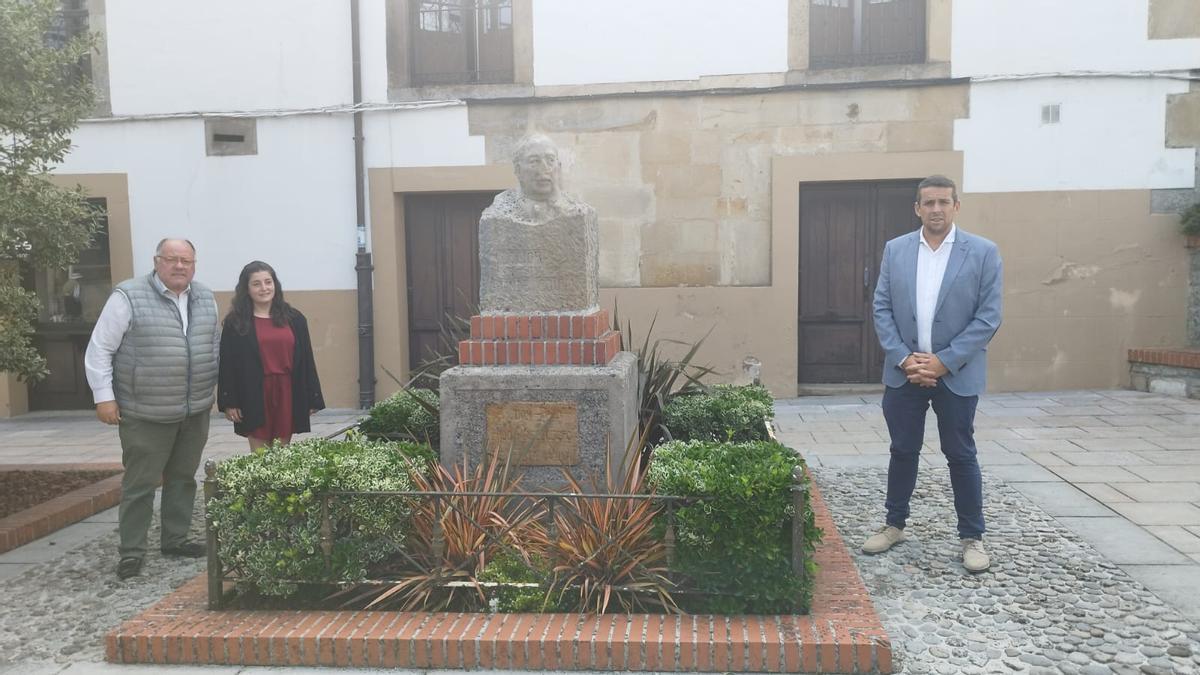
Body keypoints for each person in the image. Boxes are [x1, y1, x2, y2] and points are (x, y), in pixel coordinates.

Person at [863, 175, 1003, 573]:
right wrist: (905, 358)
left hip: (956, 374)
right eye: (929, 203)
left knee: (960, 453)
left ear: (956, 205)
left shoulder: (983, 252)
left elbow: (988, 316)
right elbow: (882, 308)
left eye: (943, 202)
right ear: (917, 208)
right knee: (902, 450)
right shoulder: (897, 250)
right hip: (903, 372)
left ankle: (972, 536)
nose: (936, 209)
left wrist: (944, 361)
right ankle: (894, 525)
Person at [84, 238, 219, 580]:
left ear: (194, 264)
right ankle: (132, 552)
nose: (179, 266)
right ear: (157, 261)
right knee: (140, 484)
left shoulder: (205, 297)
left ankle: (175, 539)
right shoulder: (128, 296)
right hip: (145, 411)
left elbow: (213, 347)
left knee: (183, 478)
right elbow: (100, 349)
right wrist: (104, 396)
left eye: (186, 260)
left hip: (194, 409)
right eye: (171, 259)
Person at [218, 261, 324, 450]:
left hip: (287, 391)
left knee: (282, 453)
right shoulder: (236, 323)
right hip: (253, 392)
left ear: (275, 284)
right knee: (260, 454)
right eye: (256, 283)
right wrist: (229, 401)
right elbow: (227, 365)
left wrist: (312, 397)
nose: (264, 288)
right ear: (246, 289)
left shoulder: (295, 319)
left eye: (268, 282)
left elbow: (307, 360)